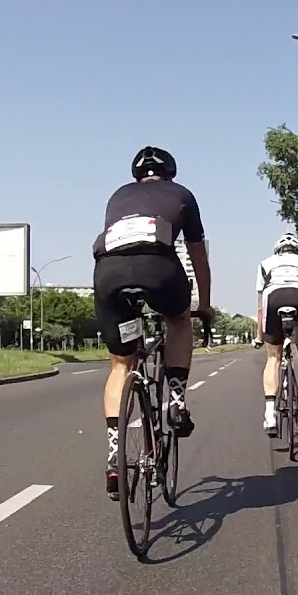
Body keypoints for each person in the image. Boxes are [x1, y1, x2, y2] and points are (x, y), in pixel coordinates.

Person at [92, 146, 213, 500]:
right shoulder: (182, 195)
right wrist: (203, 306)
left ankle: (116, 455)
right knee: (177, 320)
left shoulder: (118, 196)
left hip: (108, 273)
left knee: (120, 365)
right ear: (170, 172)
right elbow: (198, 258)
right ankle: (176, 401)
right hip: (159, 268)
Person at [256, 232, 298, 436]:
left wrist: (259, 336)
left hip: (272, 297)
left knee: (273, 357)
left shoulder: (265, 263)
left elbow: (260, 308)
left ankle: (269, 415)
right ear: (297, 249)